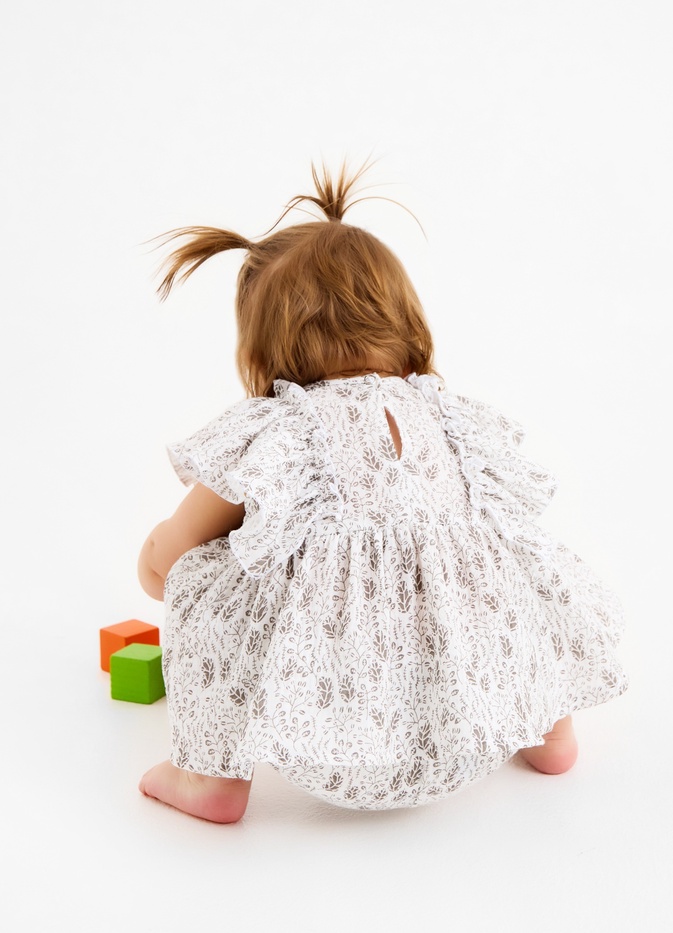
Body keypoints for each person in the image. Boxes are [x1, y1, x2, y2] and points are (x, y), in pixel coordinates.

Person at [137, 163, 627, 823]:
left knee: (206, 581)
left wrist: (158, 564)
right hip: (471, 732)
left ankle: (208, 774)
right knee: (512, 562)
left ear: (262, 348)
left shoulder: (281, 431)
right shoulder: (450, 419)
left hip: (333, 741)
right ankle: (551, 732)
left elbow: (177, 548)